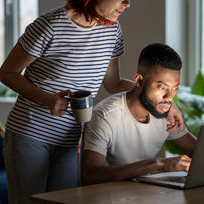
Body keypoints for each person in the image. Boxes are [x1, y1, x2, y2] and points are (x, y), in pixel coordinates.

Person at [0, 0, 184, 203]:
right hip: (30, 135)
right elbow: (7, 72)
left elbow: (114, 83)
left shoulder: (112, 31)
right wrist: (47, 99)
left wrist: (167, 103)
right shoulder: (49, 25)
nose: (127, 4)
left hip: (71, 139)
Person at [81, 43, 197, 186]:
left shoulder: (164, 111)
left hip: (143, 194)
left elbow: (197, 149)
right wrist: (158, 165)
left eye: (175, 89)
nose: (169, 97)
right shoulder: (105, 115)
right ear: (138, 80)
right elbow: (89, 175)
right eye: (162, 87)